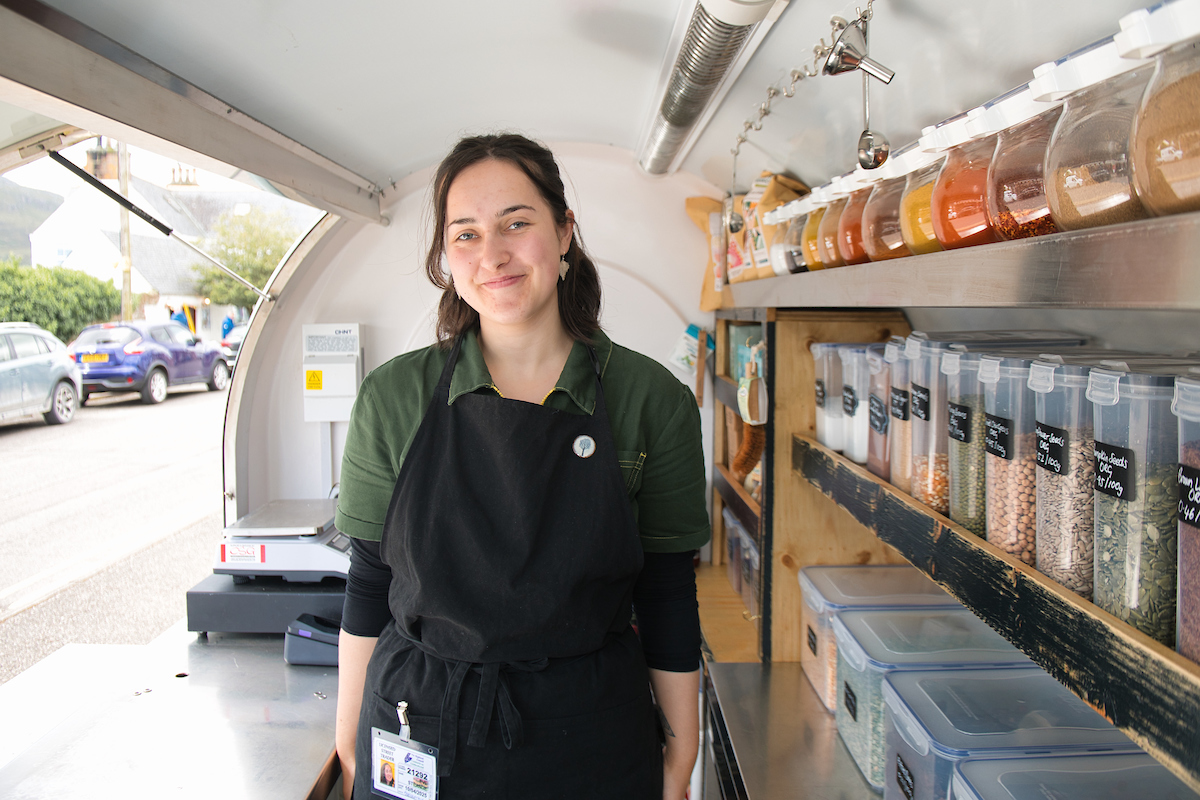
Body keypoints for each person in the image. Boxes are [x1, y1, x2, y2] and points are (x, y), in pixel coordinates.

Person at [334, 133, 709, 799]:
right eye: (467, 234)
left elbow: (667, 594)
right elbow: (369, 583)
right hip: (419, 728)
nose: (494, 255)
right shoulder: (393, 398)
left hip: (592, 739)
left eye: (516, 223)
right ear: (446, 257)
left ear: (565, 233)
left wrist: (681, 756)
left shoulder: (650, 400)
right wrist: (347, 737)